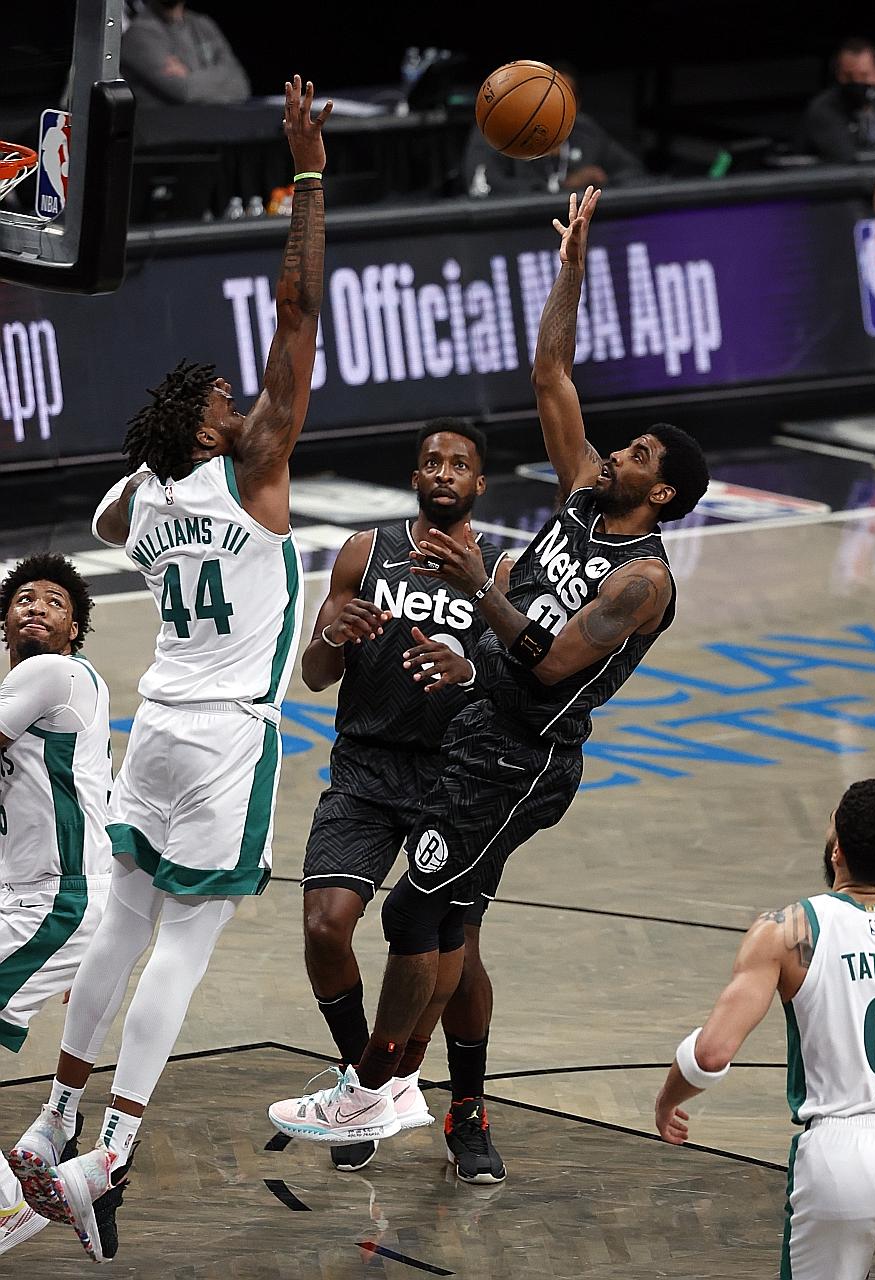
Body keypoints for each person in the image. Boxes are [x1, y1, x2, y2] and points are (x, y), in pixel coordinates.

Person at [267, 185, 710, 1178]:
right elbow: (552, 368)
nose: (620, 450)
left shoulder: (642, 580)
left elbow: (551, 660)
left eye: (640, 452)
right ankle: (415, 1096)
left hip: (523, 758)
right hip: (474, 731)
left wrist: (481, 596)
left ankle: (382, 1091)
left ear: (666, 489)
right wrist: (570, 265)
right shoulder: (587, 494)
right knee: (440, 923)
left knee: (418, 917)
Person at [7, 75, 330, 1263]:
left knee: (118, 929)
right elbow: (299, 311)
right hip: (226, 734)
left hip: (153, 725)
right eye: (227, 401)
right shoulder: (251, 475)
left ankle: (53, 1116)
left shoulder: (141, 494)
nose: (248, 405)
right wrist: (307, 175)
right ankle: (115, 1152)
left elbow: (100, 524)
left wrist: (157, 469)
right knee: (181, 949)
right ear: (207, 426)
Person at [300, 417, 511, 1177]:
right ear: (415, 477)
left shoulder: (501, 571)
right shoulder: (365, 552)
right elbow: (315, 675)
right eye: (432, 462)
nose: (444, 472)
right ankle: (368, 1086)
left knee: (462, 956)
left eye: (459, 463)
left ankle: (467, 1109)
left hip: (457, 780)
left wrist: (473, 676)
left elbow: (525, 681)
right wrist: (332, 636)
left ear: (479, 484)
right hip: (365, 766)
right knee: (326, 926)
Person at [655, 778, 875, 1280]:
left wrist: (666, 1100)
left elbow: (711, 1054)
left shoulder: (792, 929)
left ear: (837, 850)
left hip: (842, 1157)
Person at [0, 555, 110, 1257]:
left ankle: (14, 1208)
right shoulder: (30, 683)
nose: (36, 606)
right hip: (39, 897)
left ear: (74, 630)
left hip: (55, 899)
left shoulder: (52, 674)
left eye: (55, 602)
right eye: (22, 599)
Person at [463, 62, 646, 198]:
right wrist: (562, 188)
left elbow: (633, 173)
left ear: (577, 104)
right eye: (546, 95)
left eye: (565, 97)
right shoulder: (499, 129)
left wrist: (599, 187)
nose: (555, 104)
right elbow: (482, 186)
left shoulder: (587, 132)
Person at [120, 0, 251, 107]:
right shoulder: (138, 34)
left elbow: (241, 84)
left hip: (213, 128)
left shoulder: (203, 25)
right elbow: (183, 91)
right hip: (167, 133)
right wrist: (220, 79)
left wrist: (189, 75)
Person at [798, 36, 875, 162]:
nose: (857, 82)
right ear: (838, 75)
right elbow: (845, 156)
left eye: (864, 75)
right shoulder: (823, 108)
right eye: (848, 76)